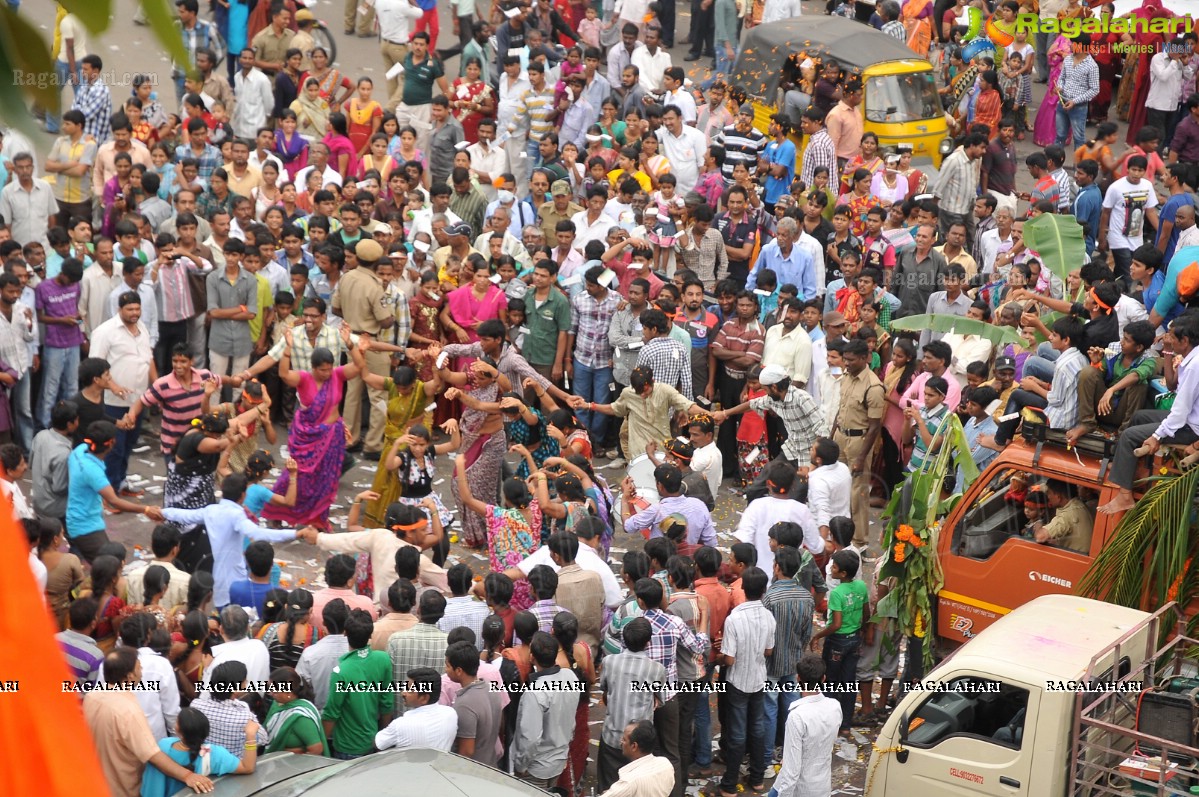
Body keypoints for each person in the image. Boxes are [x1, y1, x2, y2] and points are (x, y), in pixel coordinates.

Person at [260, 335, 366, 529]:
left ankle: (317, 518)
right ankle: (276, 511)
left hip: (332, 436)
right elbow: (283, 374)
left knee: (326, 478)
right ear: (314, 367)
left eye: (329, 368)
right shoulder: (304, 378)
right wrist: (287, 349)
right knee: (296, 475)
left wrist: (350, 345)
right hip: (307, 436)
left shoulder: (337, 375)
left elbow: (358, 366)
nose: (327, 373)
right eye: (322, 370)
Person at [163, 473, 313, 608]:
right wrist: (296, 533)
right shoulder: (236, 515)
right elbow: (258, 533)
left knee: (226, 623)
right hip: (236, 580)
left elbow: (184, 515)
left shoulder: (211, 510)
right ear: (242, 495)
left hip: (220, 580)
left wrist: (160, 512)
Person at [1101, 315, 1199, 516]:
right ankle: (1127, 465)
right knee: (1139, 416)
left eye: (1172, 337)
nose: (1167, 340)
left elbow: (1180, 412)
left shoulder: (1194, 366)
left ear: (1185, 341)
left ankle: (1125, 496)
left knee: (1129, 437)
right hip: (1187, 419)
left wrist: (1157, 436)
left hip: (1191, 428)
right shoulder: (1192, 359)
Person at [84, 647, 215, 797]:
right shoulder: (128, 711)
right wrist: (188, 775)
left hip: (97, 782)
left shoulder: (92, 696)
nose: (142, 671)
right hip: (123, 787)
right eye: (139, 668)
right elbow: (153, 755)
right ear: (130, 676)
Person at [717, 566, 774, 797]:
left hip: (738, 680)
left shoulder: (735, 618)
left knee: (737, 733)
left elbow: (729, 659)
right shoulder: (769, 617)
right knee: (758, 728)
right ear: (763, 590)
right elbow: (769, 651)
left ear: (743, 588)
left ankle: (730, 783)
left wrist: (718, 655)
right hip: (759, 679)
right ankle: (758, 778)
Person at [597, 618, 668, 791]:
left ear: (624, 639)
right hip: (640, 744)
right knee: (636, 788)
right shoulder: (656, 669)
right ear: (647, 643)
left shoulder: (609, 662)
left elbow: (605, 689)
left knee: (609, 787)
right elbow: (660, 699)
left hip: (612, 735)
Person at [809, 549, 869, 737]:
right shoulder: (861, 586)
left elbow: (836, 624)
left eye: (834, 567)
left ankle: (829, 723)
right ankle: (845, 725)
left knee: (831, 683)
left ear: (842, 573)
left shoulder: (837, 593)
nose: (831, 568)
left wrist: (818, 636)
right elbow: (866, 613)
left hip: (838, 642)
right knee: (849, 682)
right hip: (854, 639)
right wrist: (862, 629)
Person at [512, 631, 581, 789]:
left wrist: (521, 765)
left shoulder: (535, 692)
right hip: (558, 760)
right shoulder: (570, 676)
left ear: (532, 657)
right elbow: (571, 721)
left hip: (536, 768)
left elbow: (530, 738)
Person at [323, 609, 396, 759]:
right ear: (370, 635)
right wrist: (381, 737)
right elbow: (387, 703)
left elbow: (332, 712)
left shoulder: (341, 671)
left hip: (347, 747)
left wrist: (323, 745)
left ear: (345, 633)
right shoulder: (383, 659)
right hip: (373, 742)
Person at [769, 654, 842, 797]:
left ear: (798, 680)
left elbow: (792, 772)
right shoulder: (835, 707)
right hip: (822, 785)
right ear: (823, 679)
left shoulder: (797, 716)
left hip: (799, 789)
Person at [375, 666, 458, 752]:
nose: (403, 693)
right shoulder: (451, 714)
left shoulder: (400, 725)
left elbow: (378, 743)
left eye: (409, 690)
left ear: (424, 698)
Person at [446, 640, 503, 762]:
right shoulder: (491, 688)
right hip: (490, 764)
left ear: (459, 671)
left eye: (447, 665)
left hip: (473, 773)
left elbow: (466, 752)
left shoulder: (465, 704)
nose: (445, 670)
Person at [263, 666, 329, 755]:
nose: (271, 694)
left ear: (288, 693)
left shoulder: (301, 717)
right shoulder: (277, 704)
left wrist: (292, 754)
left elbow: (316, 749)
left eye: (275, 691)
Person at [601, 720, 676, 797]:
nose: (621, 742)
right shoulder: (665, 764)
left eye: (624, 740)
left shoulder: (629, 782)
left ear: (634, 746)